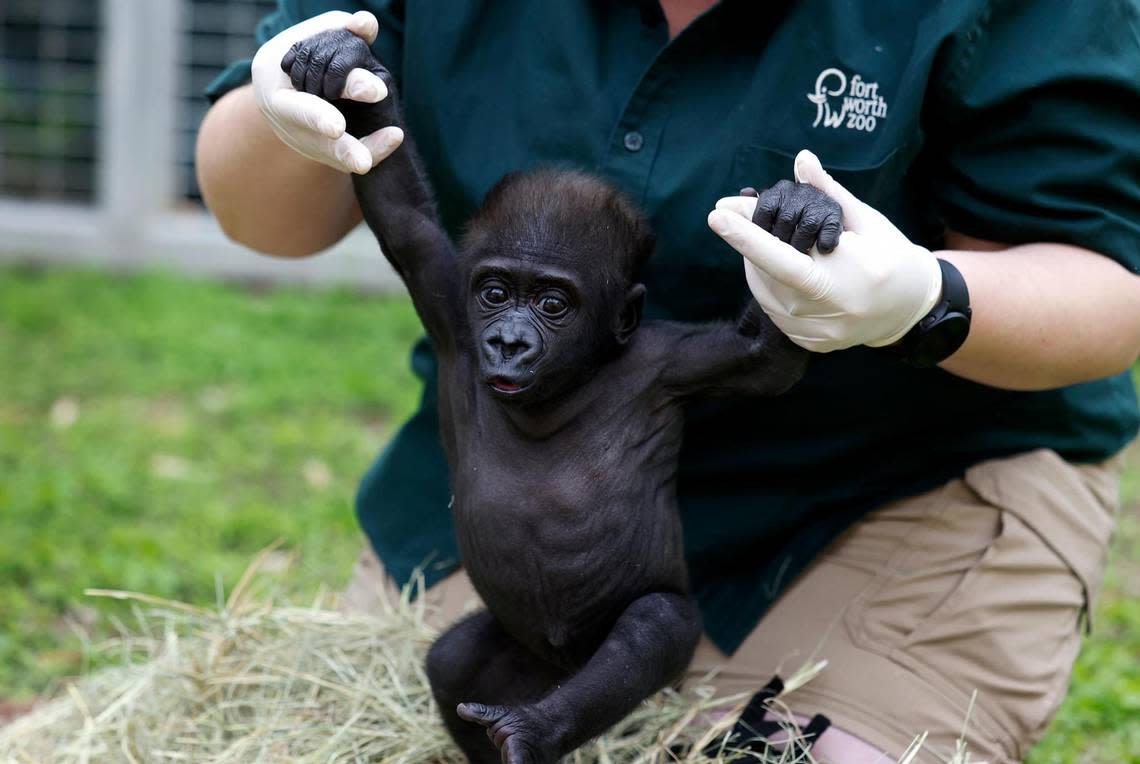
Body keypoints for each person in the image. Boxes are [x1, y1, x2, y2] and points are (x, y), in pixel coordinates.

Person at [195, 2, 1140, 761]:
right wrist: (309, 100)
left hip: (883, 487)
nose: (512, 340)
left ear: (625, 318)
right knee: (390, 708)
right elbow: (388, 216)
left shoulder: (649, 363)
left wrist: (919, 297)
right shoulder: (462, 324)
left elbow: (1100, 284)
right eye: (498, 299)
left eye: (550, 309)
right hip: (520, 556)